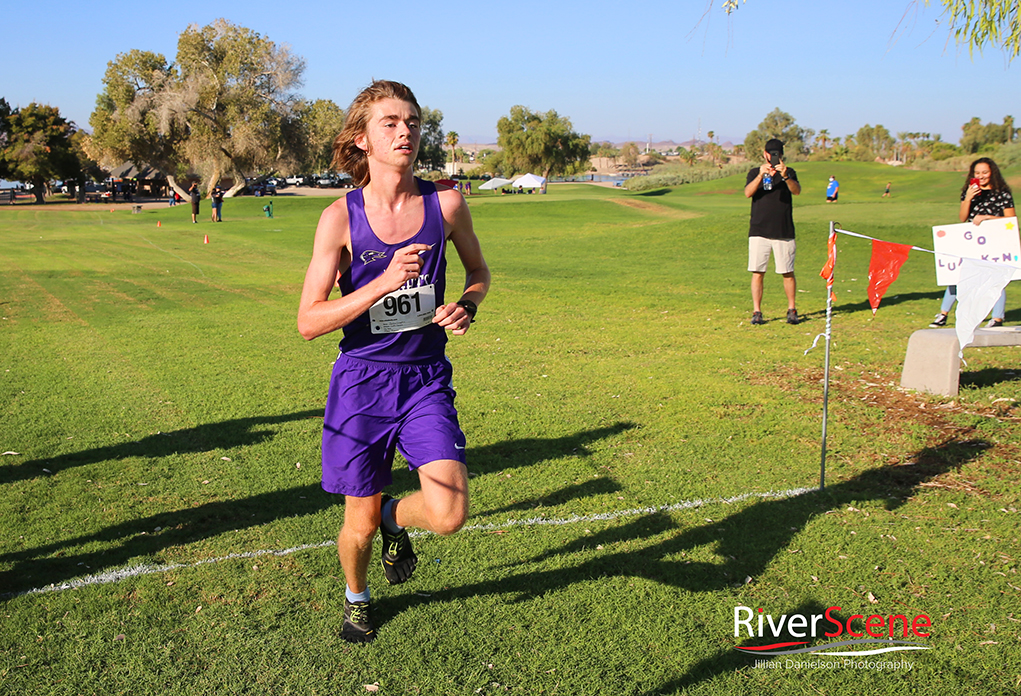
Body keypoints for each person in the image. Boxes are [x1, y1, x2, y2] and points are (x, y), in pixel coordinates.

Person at [297, 80, 490, 644]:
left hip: (426, 378)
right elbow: (309, 320)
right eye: (389, 122)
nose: (404, 131)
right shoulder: (339, 218)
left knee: (450, 514)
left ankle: (393, 518)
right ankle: (357, 597)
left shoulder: (445, 204)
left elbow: (479, 275)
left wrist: (467, 307)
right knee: (354, 525)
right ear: (361, 139)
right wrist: (381, 282)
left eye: (411, 121)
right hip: (362, 383)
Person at [929, 157, 1015, 328]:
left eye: (985, 172)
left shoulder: (1003, 193)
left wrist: (987, 218)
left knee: (995, 277)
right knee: (956, 276)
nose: (981, 176)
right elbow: (962, 217)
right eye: (977, 173)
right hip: (971, 240)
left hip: (994, 240)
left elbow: (1011, 220)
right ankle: (943, 314)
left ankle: (997, 318)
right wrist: (968, 198)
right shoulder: (969, 191)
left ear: (992, 173)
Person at [744, 138, 802, 325]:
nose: (773, 157)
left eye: (776, 153)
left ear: (781, 154)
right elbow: (748, 193)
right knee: (757, 272)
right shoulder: (755, 172)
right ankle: (757, 311)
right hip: (759, 230)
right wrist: (761, 175)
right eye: (770, 153)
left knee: (787, 272)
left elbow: (797, 191)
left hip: (783, 230)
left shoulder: (789, 172)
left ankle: (792, 309)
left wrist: (785, 176)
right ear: (764, 154)